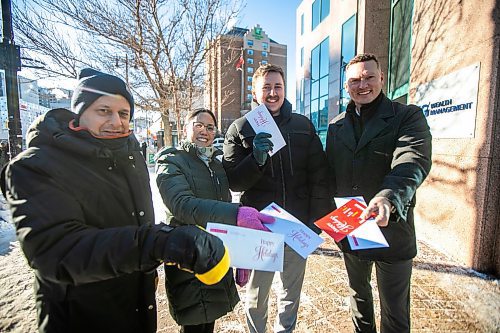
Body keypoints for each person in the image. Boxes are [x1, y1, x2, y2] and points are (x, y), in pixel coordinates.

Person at [0, 69, 231, 333]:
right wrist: (157, 243)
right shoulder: (36, 165)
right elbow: (55, 251)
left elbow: (136, 221)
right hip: (80, 316)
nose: (116, 121)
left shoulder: (129, 158)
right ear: (79, 112)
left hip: (136, 305)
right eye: (103, 111)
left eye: (123, 114)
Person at [326, 53, 432, 332]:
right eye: (354, 81)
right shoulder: (336, 125)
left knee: (395, 312)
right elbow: (328, 174)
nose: (362, 85)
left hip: (392, 231)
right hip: (352, 230)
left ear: (381, 79)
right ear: (346, 86)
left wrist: (388, 196)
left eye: (369, 77)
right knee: (358, 299)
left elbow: (412, 161)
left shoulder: (407, 116)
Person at [223, 64, 331, 333]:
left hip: (297, 224)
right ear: (256, 92)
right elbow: (235, 181)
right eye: (266, 87)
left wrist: (316, 219)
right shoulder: (240, 128)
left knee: (290, 293)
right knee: (257, 296)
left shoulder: (303, 125)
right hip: (261, 226)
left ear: (284, 89)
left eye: (278, 86)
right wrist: (256, 159)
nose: (273, 93)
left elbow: (319, 174)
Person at [155, 108, 275, 333]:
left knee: (208, 324)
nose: (205, 131)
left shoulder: (215, 163)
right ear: (185, 128)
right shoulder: (171, 160)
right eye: (198, 125)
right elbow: (182, 205)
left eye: (210, 127)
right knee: (193, 324)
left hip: (216, 255)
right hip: (188, 258)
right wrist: (236, 214)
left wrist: (258, 159)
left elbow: (238, 181)